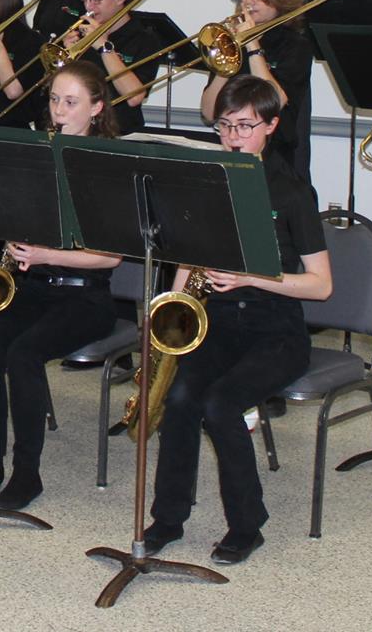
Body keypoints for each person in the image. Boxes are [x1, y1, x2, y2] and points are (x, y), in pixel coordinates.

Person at [143, 73, 332, 565]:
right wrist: (172, 310)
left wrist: (252, 278)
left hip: (277, 330)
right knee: (180, 400)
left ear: (271, 126)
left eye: (245, 126)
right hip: (219, 322)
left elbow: (321, 285)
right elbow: (190, 258)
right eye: (225, 126)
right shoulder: (210, 181)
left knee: (221, 405)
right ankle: (168, 518)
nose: (232, 137)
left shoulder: (292, 193)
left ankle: (247, 525)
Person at [0, 60, 122, 512]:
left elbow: (110, 257)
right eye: (54, 100)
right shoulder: (38, 156)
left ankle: (27, 472)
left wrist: (45, 255)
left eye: (71, 102)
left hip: (86, 295)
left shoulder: (106, 166)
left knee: (24, 354)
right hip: (34, 286)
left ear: (96, 108)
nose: (58, 110)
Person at [200, 0, 315, 185]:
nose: (249, 0)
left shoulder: (296, 45)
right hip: (231, 151)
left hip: (276, 158)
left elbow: (277, 100)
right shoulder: (229, 42)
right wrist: (226, 63)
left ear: (281, 0)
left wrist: (252, 45)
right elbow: (209, 112)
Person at [59, 0, 186, 136]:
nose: (88, 6)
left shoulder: (144, 39)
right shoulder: (81, 31)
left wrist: (104, 47)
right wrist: (65, 57)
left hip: (121, 134)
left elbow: (134, 97)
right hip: (79, 130)